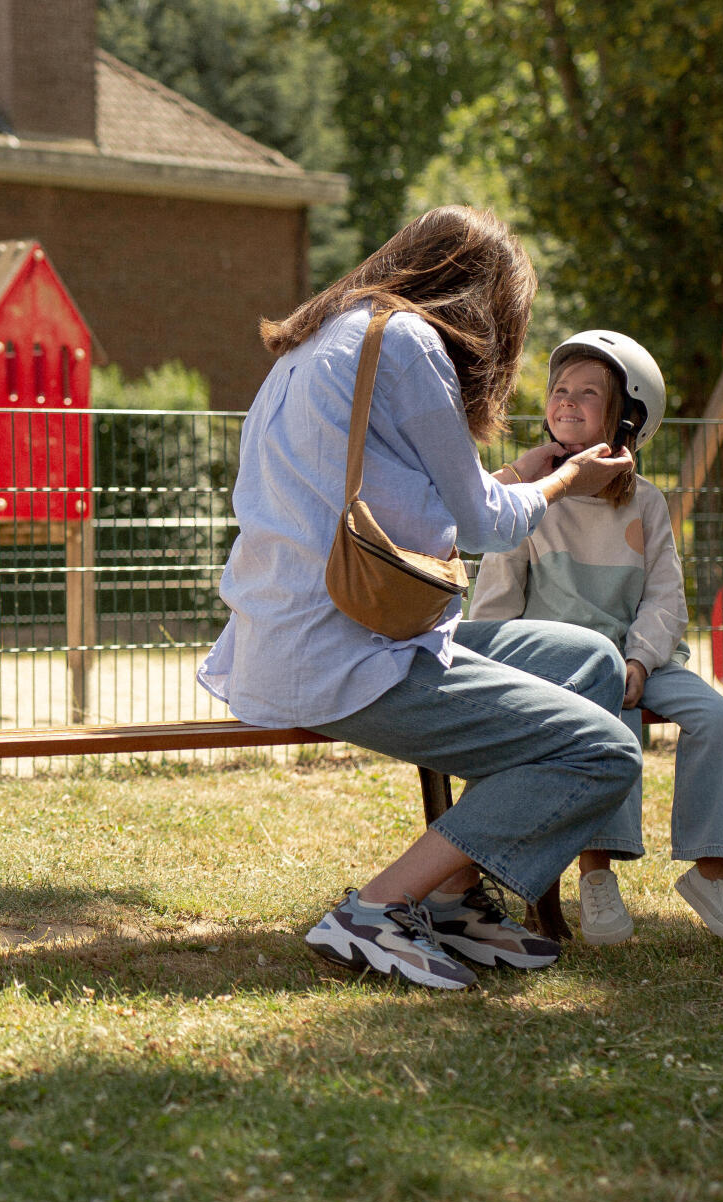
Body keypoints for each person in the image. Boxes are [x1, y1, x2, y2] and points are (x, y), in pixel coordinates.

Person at [199, 205, 641, 991]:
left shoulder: (326, 339)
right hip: (347, 650)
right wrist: (572, 478)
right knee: (602, 750)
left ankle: (451, 895)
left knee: (591, 663)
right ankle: (376, 909)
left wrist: (525, 474)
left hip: (320, 629)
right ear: (483, 301)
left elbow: (409, 509)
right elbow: (483, 527)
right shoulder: (407, 343)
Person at [470, 331, 723, 944]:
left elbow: (665, 598)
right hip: (560, 667)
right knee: (611, 709)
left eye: (589, 393)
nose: (567, 401)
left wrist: (639, 659)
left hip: (640, 659)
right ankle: (597, 873)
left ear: (629, 419)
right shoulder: (529, 501)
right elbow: (496, 602)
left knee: (717, 716)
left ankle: (712, 871)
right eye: (560, 390)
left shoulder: (647, 503)